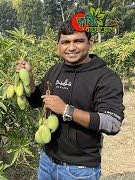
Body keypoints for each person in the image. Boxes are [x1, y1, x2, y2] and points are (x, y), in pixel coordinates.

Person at [16, 20, 124, 179]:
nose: (71, 47)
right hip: (47, 161)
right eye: (65, 42)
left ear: (90, 44)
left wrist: (67, 110)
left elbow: (112, 124)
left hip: (79, 169)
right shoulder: (55, 70)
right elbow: (36, 100)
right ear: (58, 46)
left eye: (78, 41)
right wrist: (29, 78)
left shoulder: (105, 77)